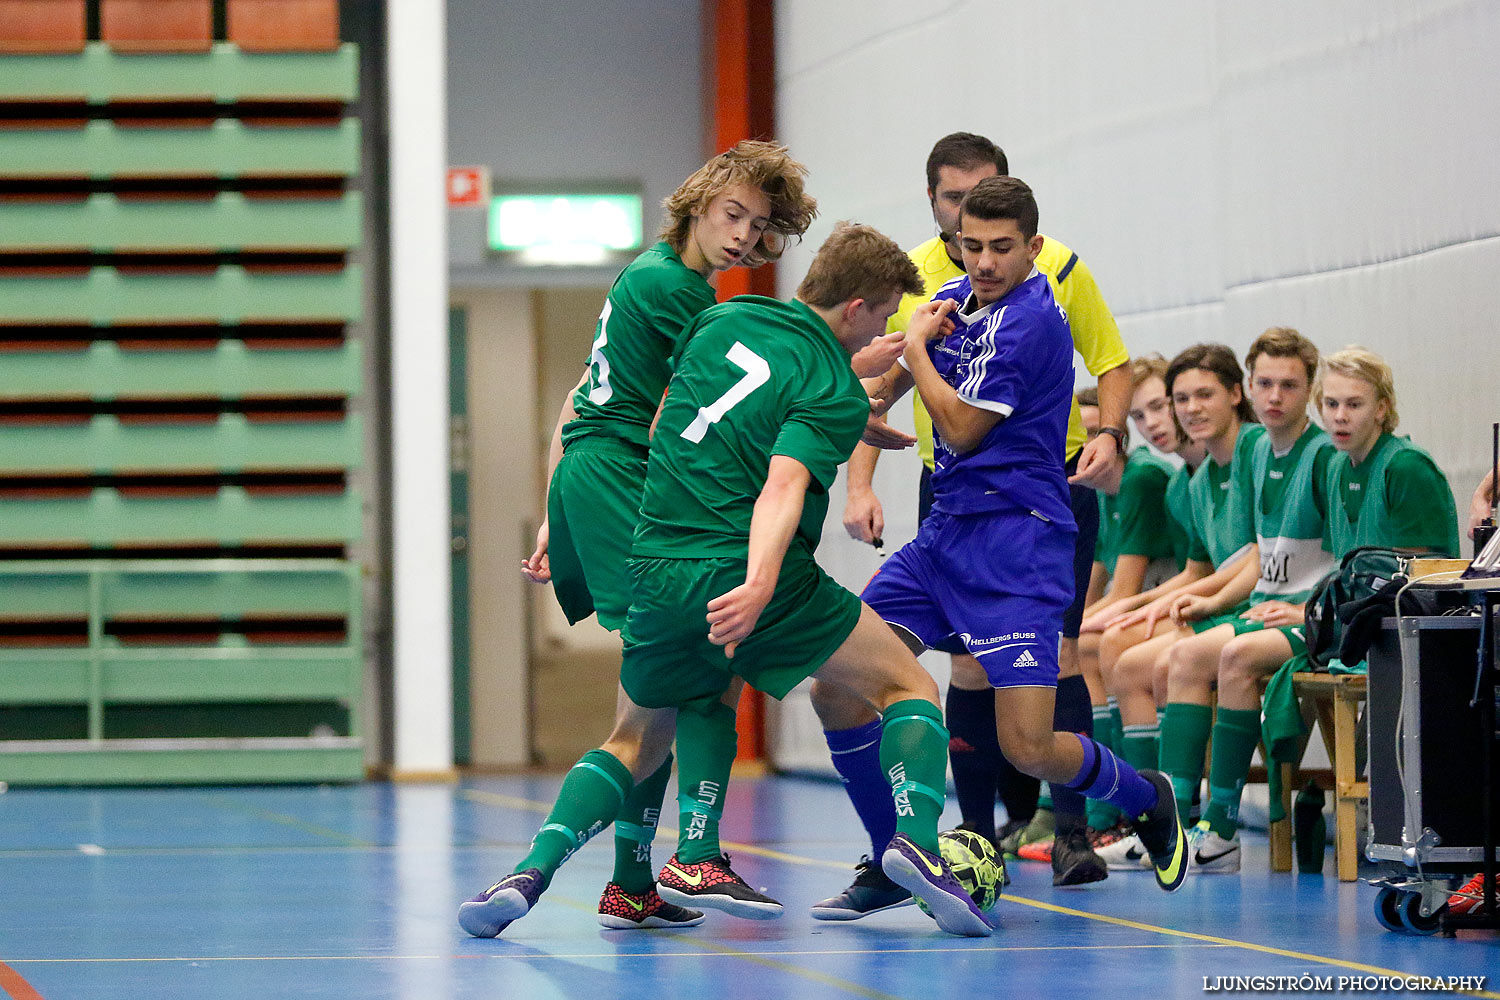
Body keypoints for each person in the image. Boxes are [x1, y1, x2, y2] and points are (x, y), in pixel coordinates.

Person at [460, 222, 996, 940]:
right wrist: (758, 583)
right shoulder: (833, 391)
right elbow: (781, 487)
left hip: (654, 564)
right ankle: (915, 844)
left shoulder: (719, 318)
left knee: (636, 739)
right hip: (745, 573)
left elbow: (658, 407)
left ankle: (530, 873)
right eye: (889, 306)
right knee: (907, 685)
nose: (891, 318)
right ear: (860, 307)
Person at [816, 178, 1186, 917]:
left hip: (1020, 544)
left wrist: (916, 352)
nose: (983, 262)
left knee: (1029, 745)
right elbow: (891, 371)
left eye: (1001, 248)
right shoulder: (956, 293)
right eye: (971, 246)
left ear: (1034, 247)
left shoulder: (1034, 322)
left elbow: (957, 427)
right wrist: (861, 395)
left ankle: (1147, 795)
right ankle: (898, 857)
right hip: (946, 534)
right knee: (836, 685)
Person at [499, 141, 817, 931]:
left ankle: (632, 882)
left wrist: (554, 508)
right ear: (699, 203)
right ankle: (690, 856)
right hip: (622, 480)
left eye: (760, 224)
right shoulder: (678, 290)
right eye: (732, 214)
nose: (744, 235)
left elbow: (579, 398)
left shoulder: (647, 270)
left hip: (594, 473)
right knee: (706, 658)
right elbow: (723, 410)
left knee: (662, 690)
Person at [1151, 328, 1336, 872]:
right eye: (1266, 384)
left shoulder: (1323, 455)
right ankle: (1176, 822)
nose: (1275, 397)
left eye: (1289, 386)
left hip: (1317, 616)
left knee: (1224, 657)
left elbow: (1351, 560)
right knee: (1183, 658)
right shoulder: (1260, 454)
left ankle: (1222, 824)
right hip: (1270, 605)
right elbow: (1259, 554)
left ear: (1309, 392)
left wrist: (1304, 605)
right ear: (1251, 388)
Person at [1093, 344, 1263, 867]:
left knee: (1152, 659)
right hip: (1221, 602)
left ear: (1236, 395)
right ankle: (1148, 818)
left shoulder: (1253, 451)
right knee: (1122, 652)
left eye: (1197, 396)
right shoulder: (1194, 480)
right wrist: (1146, 606)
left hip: (1257, 607)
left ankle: (1181, 819)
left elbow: (1256, 555)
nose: (1177, 414)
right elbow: (1199, 569)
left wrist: (1187, 599)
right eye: (1179, 399)